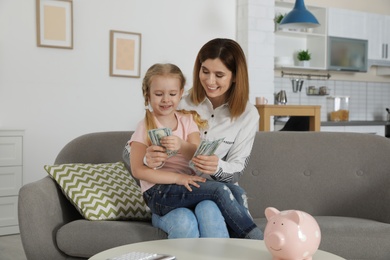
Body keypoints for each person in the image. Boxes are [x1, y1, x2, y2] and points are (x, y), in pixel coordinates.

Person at [124, 38, 260, 238]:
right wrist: (148, 159)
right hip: (175, 188)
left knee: (223, 199)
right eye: (205, 71)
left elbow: (235, 171)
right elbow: (133, 154)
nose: (210, 81)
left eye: (219, 75)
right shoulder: (177, 100)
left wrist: (216, 167)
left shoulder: (248, 115)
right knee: (216, 197)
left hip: (210, 187)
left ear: (235, 77)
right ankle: (259, 242)